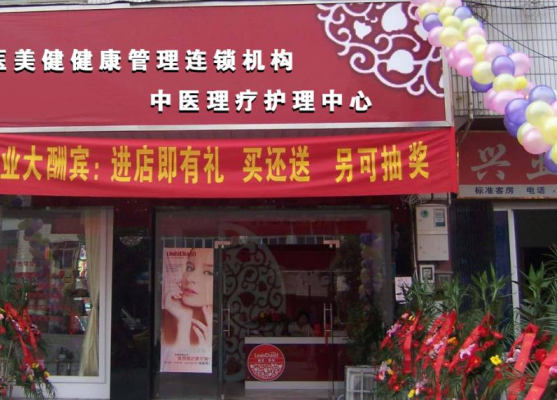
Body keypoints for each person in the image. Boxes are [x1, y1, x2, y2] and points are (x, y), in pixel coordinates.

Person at [161, 249, 214, 372]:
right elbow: (174, 375)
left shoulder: (225, 325)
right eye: (190, 268)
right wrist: (184, 321)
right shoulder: (165, 321)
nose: (190, 278)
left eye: (208, 272)